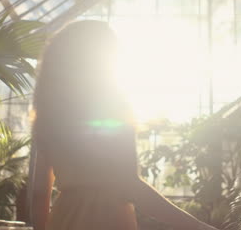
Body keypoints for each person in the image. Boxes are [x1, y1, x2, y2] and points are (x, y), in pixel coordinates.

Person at [31, 20, 218, 230]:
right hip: (109, 221)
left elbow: (39, 193)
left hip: (63, 221)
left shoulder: (49, 115)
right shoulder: (113, 109)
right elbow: (131, 186)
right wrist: (200, 227)